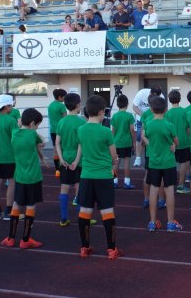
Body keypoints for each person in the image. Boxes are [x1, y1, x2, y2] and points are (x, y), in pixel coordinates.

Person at [75, 95, 122, 260]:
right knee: (107, 211)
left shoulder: (80, 129)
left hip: (86, 175)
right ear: (102, 112)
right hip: (103, 176)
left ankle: (84, 247)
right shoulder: (105, 131)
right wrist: (115, 163)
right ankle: (111, 248)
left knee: (85, 211)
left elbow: (81, 149)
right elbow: (114, 155)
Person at [0, 108, 46, 250]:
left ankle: (11, 237)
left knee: (17, 204)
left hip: (19, 176)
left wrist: (23, 124)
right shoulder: (32, 135)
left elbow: (21, 126)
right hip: (33, 176)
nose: (37, 128)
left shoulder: (14, 132)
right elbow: (43, 142)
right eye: (37, 125)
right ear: (32, 124)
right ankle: (25, 239)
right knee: (31, 205)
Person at [143, 96, 182, 232]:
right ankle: (170, 223)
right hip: (168, 162)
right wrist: (172, 145)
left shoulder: (149, 124)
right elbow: (177, 142)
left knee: (154, 190)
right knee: (169, 190)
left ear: (152, 109)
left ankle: (152, 222)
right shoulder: (168, 125)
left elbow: (145, 137)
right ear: (166, 109)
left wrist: (151, 144)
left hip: (154, 162)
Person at [55, 93, 86, 226]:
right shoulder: (82, 122)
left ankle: (63, 218)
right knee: (79, 187)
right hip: (79, 160)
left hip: (65, 159)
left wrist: (61, 159)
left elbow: (57, 142)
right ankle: (82, 218)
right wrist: (76, 160)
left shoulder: (62, 122)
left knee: (64, 188)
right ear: (78, 105)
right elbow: (81, 143)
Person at [0, 94, 18, 220]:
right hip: (10, 157)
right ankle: (8, 211)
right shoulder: (11, 121)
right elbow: (15, 140)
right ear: (6, 106)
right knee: (11, 183)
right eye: (11, 104)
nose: (12, 106)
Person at [165, 90, 191, 195]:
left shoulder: (168, 113)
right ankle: (180, 185)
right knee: (183, 164)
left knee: (171, 164)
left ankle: (170, 184)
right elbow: (188, 128)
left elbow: (166, 129)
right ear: (179, 99)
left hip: (172, 143)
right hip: (184, 141)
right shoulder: (184, 112)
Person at [132, 86, 162, 169]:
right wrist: (144, 116)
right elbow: (134, 107)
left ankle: (153, 155)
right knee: (139, 137)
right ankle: (138, 158)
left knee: (152, 137)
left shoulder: (161, 96)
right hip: (142, 118)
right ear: (150, 94)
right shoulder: (142, 93)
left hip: (154, 119)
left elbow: (164, 109)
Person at [110, 94, 135, 189]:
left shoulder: (115, 116)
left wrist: (111, 143)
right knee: (127, 163)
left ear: (117, 104)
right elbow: (132, 130)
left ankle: (114, 181)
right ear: (127, 104)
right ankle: (127, 182)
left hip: (116, 143)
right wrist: (133, 143)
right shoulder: (129, 116)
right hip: (126, 143)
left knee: (115, 163)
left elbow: (113, 131)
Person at [48, 88, 67, 177]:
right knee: (63, 149)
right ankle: (64, 168)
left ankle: (57, 171)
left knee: (56, 150)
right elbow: (65, 119)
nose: (64, 99)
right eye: (64, 97)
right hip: (61, 131)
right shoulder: (61, 106)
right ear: (59, 97)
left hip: (52, 131)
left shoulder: (50, 105)